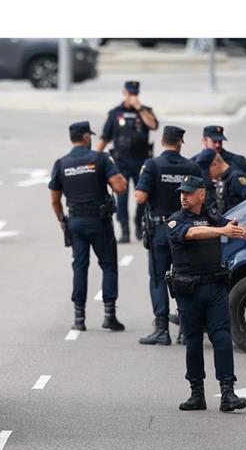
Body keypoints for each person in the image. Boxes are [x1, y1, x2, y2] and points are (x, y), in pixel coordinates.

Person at [167, 175, 246, 412]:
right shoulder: (176, 220)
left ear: (201, 194)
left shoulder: (212, 216)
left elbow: (235, 229)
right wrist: (222, 230)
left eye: (188, 192)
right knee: (193, 341)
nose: (183, 196)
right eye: (182, 192)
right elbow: (192, 234)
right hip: (189, 290)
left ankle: (228, 393)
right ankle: (196, 394)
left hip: (214, 288)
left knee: (221, 338)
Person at [49, 121, 128, 331]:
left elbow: (55, 200)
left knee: (79, 266)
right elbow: (120, 187)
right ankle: (109, 315)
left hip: (75, 222)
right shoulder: (100, 159)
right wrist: (114, 168)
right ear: (85, 137)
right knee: (108, 265)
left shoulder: (61, 163)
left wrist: (62, 221)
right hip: (99, 221)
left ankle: (79, 318)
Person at [135, 126, 201, 345]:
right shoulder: (192, 167)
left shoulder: (152, 165)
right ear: (181, 142)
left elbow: (140, 197)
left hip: (161, 230)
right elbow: (201, 198)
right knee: (185, 278)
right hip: (186, 230)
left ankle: (162, 329)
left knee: (158, 278)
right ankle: (185, 330)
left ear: (163, 141)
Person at [95, 80, 158, 243]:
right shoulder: (115, 113)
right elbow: (105, 137)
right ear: (124, 93)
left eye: (134, 94)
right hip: (121, 162)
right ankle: (124, 230)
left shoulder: (145, 111)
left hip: (141, 162)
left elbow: (153, 125)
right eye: (130, 93)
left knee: (142, 195)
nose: (132, 97)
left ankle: (139, 224)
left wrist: (139, 108)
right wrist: (94, 159)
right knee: (121, 197)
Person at [196, 148, 246, 213]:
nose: (208, 176)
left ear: (215, 164)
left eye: (208, 172)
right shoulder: (222, 180)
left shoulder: (236, 177)